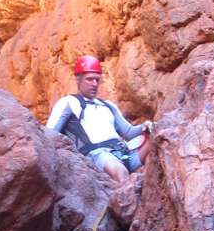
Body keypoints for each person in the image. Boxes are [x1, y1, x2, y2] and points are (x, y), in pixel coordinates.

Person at [46, 55, 153, 184]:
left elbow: (129, 132)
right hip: (96, 155)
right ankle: (128, 192)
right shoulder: (69, 103)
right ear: (78, 79)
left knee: (157, 137)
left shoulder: (108, 105)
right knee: (120, 171)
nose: (94, 84)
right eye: (89, 79)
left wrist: (145, 127)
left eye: (97, 79)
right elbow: (50, 134)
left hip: (123, 152)